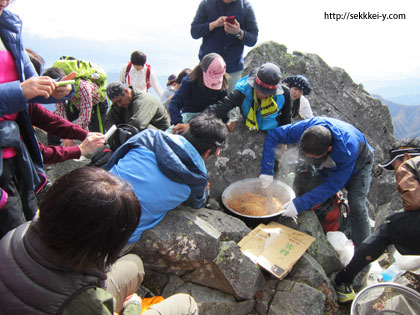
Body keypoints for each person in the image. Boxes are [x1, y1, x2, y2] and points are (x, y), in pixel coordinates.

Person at [0, 167, 198, 314]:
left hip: (54, 290)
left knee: (134, 264)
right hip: (72, 302)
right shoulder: (84, 303)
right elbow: (81, 303)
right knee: (187, 304)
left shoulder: (18, 232)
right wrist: (133, 307)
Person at [0, 1, 75, 238]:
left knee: (26, 227)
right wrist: (20, 91)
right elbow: (22, 91)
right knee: (12, 237)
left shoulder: (8, 27)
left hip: (14, 152)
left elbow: (32, 87)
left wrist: (55, 91)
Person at [105, 112, 227, 243]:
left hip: (94, 198)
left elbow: (112, 161)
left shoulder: (148, 136)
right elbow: (196, 203)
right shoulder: (197, 178)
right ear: (208, 152)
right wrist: (204, 189)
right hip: (118, 237)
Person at [259, 117, 373, 248]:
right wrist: (267, 171)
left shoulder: (346, 150)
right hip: (327, 162)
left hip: (360, 163)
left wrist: (298, 205)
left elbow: (333, 185)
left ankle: (363, 252)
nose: (308, 157)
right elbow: (273, 135)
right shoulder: (305, 129)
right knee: (305, 178)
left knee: (356, 204)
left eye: (312, 156)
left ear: (328, 149)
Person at [334, 138, 420, 303]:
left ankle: (343, 280)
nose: (395, 170)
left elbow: (414, 201)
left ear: (406, 156)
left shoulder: (409, 164)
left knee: (387, 229)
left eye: (394, 165)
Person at [25, 48, 105, 163]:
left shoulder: (83, 87)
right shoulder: (11, 109)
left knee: (97, 129)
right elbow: (36, 152)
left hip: (96, 105)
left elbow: (54, 121)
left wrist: (86, 135)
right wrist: (79, 149)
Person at [191, 0, 258, 95]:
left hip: (232, 70)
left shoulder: (246, 7)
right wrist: (213, 25)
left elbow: (253, 39)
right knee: (202, 103)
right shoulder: (206, 4)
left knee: (229, 105)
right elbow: (194, 32)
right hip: (207, 68)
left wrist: (238, 33)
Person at [206, 62, 291, 132]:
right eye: (259, 89)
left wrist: (284, 139)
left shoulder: (284, 95)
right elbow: (220, 108)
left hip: (273, 130)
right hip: (249, 126)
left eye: (266, 92)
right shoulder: (242, 92)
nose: (261, 94)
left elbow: (286, 117)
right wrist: (198, 121)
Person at [168, 53, 229, 134]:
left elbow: (223, 105)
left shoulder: (222, 84)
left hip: (210, 117)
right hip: (189, 116)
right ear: (202, 71)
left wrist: (226, 121)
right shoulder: (189, 81)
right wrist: (179, 123)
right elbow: (174, 103)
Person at [43, 66, 109, 139]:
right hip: (76, 103)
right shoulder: (58, 89)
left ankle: (101, 149)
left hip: (97, 104)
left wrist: (69, 133)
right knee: (55, 123)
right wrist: (64, 131)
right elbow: (60, 111)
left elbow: (84, 119)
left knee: (97, 134)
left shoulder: (83, 87)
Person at [105, 81, 170, 132]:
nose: (119, 105)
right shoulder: (121, 103)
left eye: (119, 101)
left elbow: (137, 125)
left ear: (126, 91)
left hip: (159, 136)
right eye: (115, 103)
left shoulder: (144, 100)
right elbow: (109, 121)